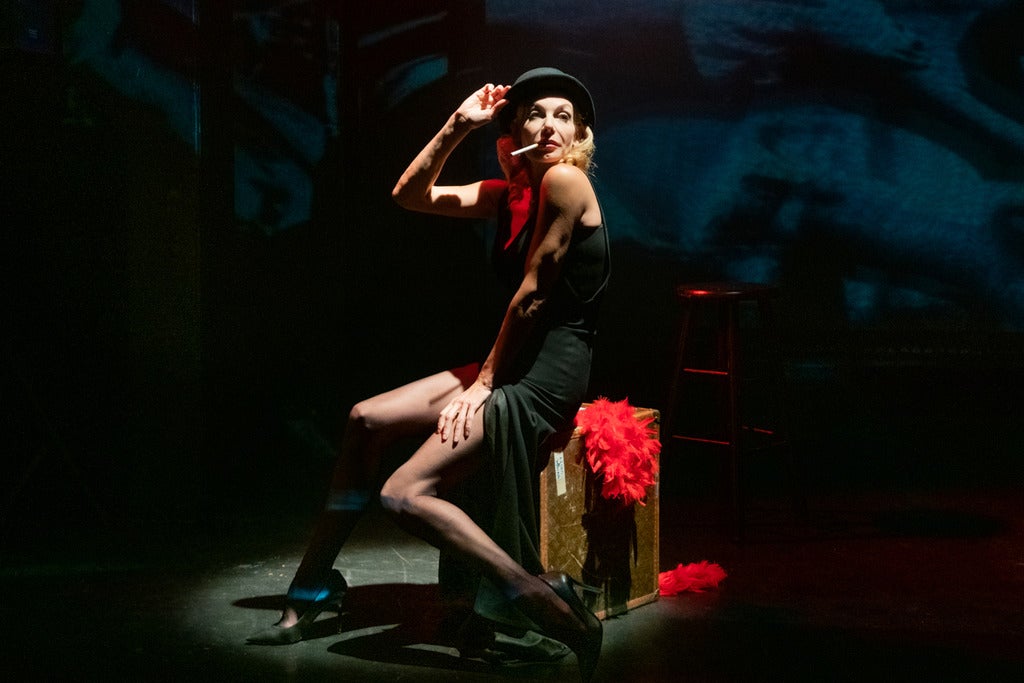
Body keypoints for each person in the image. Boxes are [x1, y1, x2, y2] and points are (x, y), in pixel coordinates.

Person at [248, 67, 609, 683]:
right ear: (514, 130)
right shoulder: (510, 194)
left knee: (403, 493)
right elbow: (409, 196)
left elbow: (533, 296)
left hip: (545, 372)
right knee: (365, 419)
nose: (549, 125)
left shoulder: (567, 182)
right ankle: (312, 587)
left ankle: (542, 599)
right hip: (512, 360)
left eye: (563, 116)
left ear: (580, 135)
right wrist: (456, 125)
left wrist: (484, 384)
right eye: (534, 113)